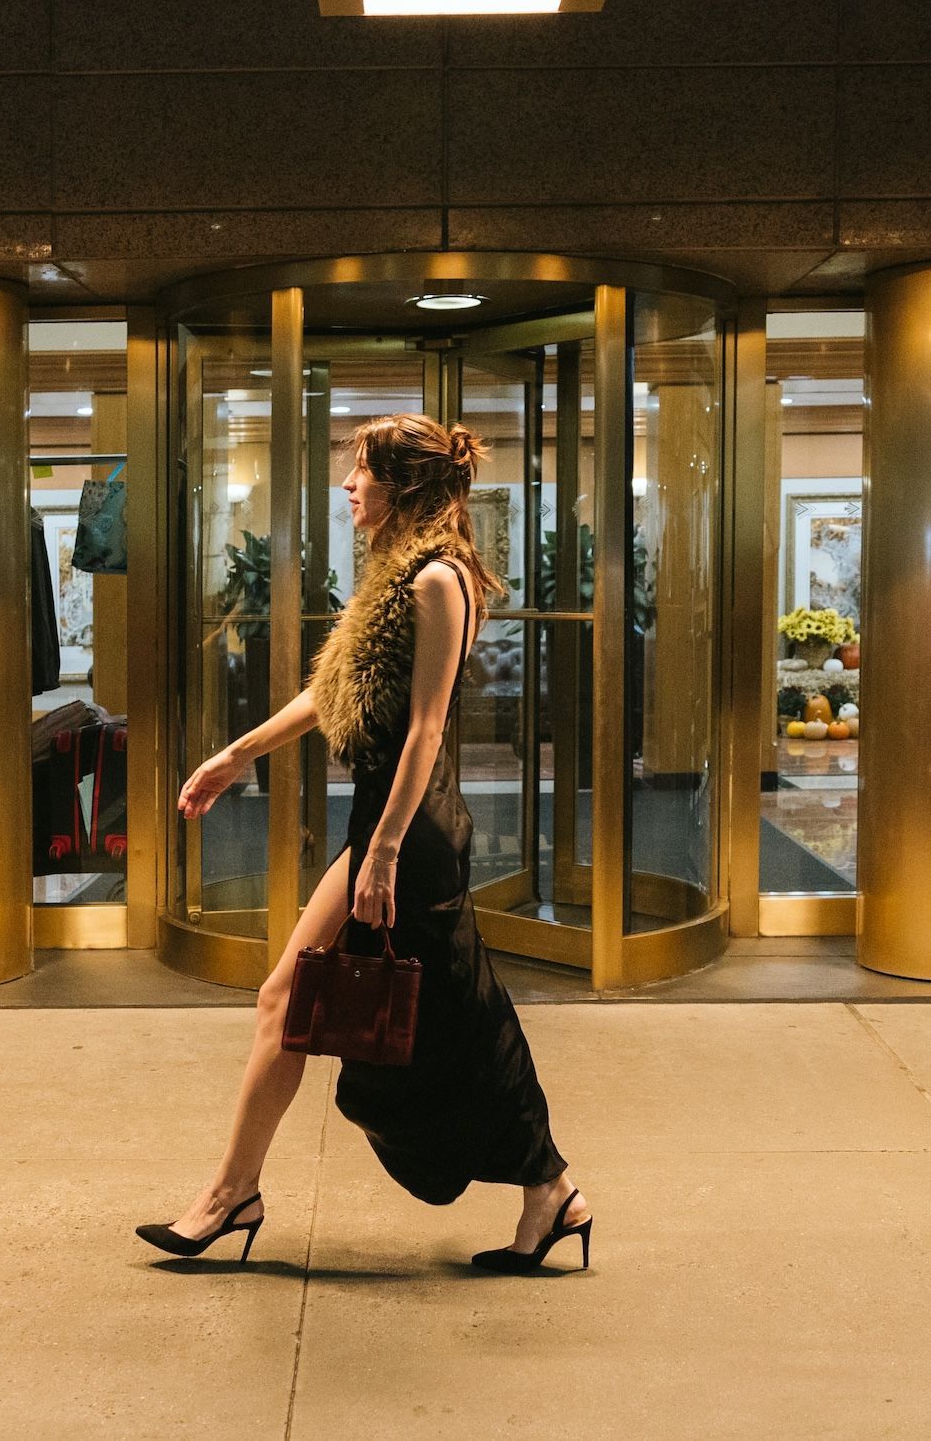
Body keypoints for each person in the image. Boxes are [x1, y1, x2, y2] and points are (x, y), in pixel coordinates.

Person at [136, 413, 592, 1273]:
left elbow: (427, 730)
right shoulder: (396, 576)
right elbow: (334, 691)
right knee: (327, 1002)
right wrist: (237, 756)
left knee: (451, 1015)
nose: (349, 485)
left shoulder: (437, 581)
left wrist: (382, 853)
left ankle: (546, 1188)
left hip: (408, 833)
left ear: (404, 485)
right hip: (387, 825)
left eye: (363, 472)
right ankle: (240, 1193)